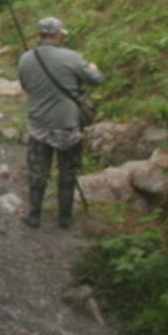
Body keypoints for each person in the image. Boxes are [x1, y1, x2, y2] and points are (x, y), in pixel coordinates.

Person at [16, 17, 104, 229]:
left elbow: (26, 86)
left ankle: (34, 216)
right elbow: (97, 79)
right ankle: (65, 218)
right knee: (68, 171)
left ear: (40, 35)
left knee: (38, 172)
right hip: (68, 124)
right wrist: (92, 67)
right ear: (58, 35)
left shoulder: (26, 59)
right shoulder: (72, 58)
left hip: (39, 123)